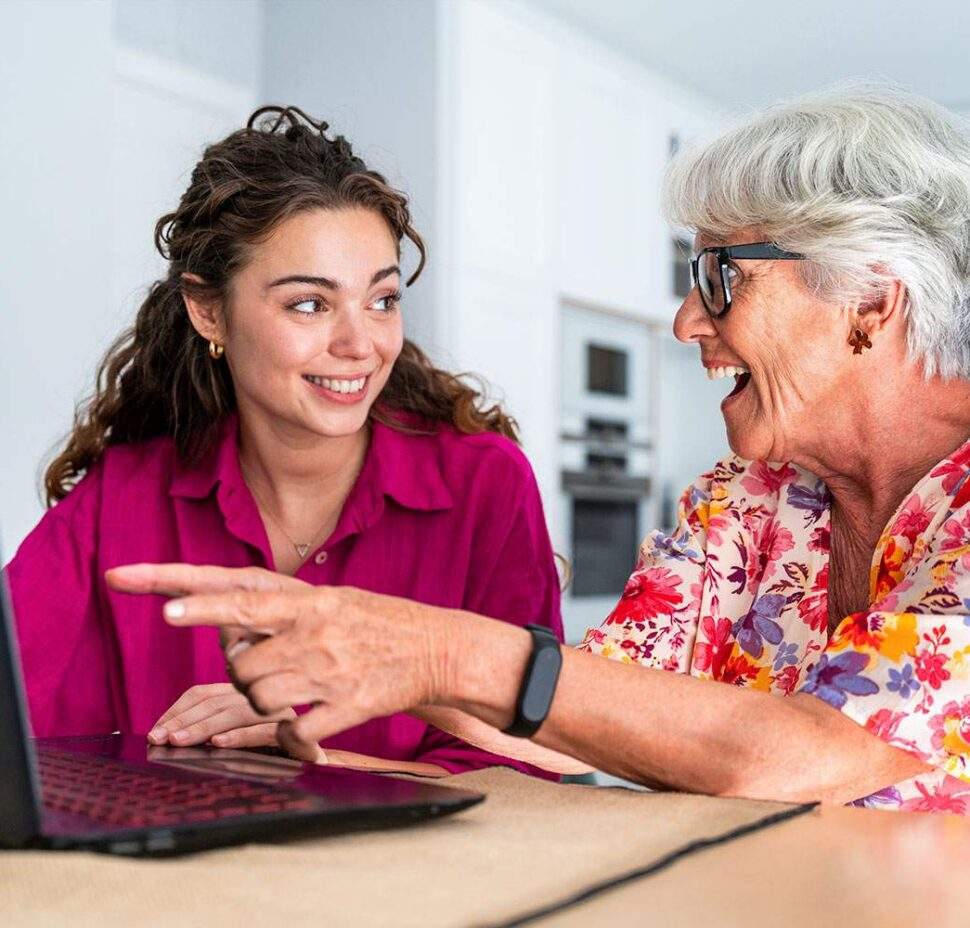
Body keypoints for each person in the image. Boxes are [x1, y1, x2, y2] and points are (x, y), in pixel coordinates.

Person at [111, 87, 970, 813]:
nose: (685, 321)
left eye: (721, 278)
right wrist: (334, 746)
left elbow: (807, 753)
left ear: (868, 300)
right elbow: (579, 711)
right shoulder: (751, 497)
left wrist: (431, 650)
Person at [4, 105, 563, 778]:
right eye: (309, 304)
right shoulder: (120, 498)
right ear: (208, 309)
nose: (361, 345)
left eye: (382, 301)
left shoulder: (485, 486)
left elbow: (530, 767)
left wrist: (315, 759)